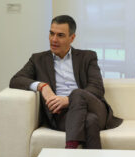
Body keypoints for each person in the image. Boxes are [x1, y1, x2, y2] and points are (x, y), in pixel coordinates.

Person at [10, 15, 122, 149]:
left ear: (72, 38)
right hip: (61, 115)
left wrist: (68, 100)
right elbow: (16, 80)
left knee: (77, 94)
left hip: (94, 107)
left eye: (60, 35)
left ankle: (69, 150)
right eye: (51, 33)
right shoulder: (38, 59)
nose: (54, 39)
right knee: (90, 121)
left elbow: (96, 88)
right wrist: (42, 86)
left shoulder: (88, 57)